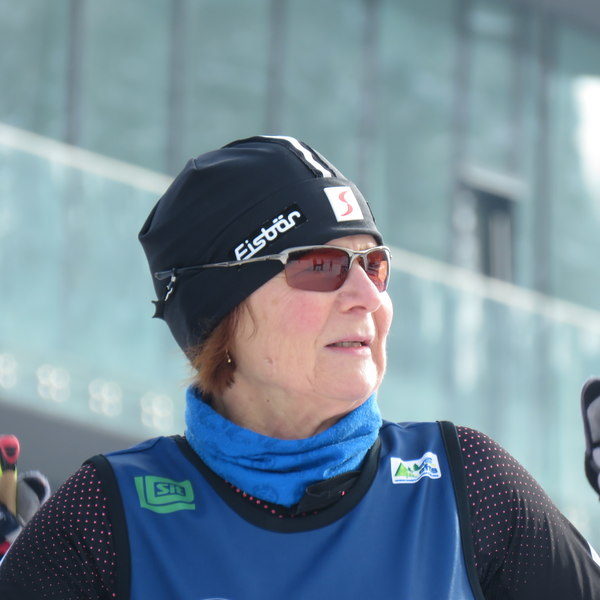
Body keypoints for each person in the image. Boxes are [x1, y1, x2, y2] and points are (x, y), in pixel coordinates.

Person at [0, 135, 598, 599]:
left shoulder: (468, 485)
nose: (367, 296)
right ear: (222, 316)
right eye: (321, 266)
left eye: (374, 265)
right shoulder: (109, 517)